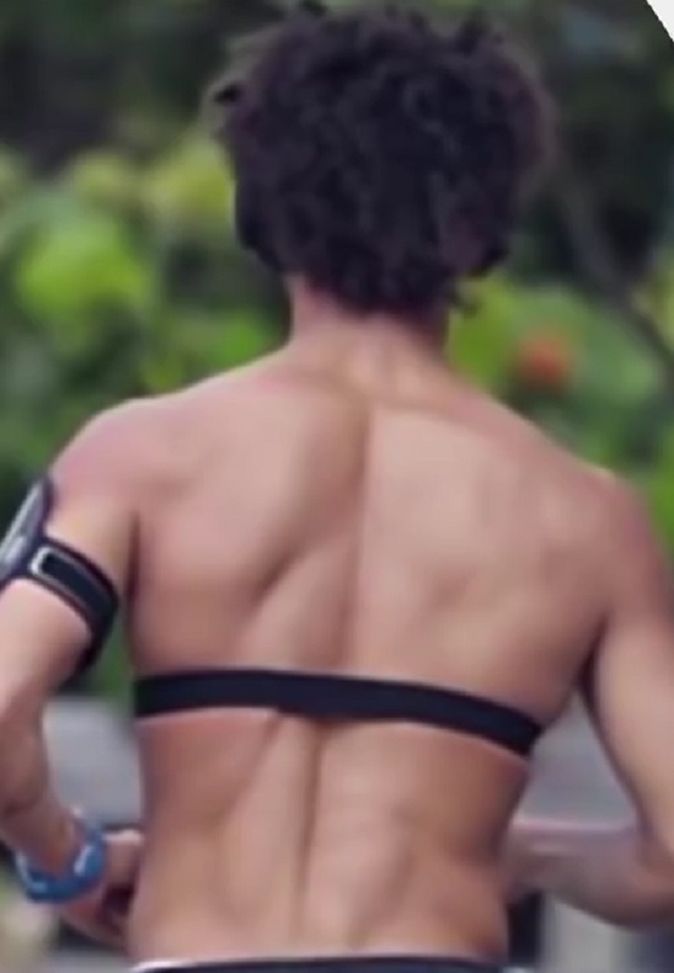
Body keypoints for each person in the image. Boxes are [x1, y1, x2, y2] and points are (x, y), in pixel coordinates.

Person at [0, 4, 673, 973]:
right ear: (482, 224)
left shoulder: (140, 456)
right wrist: (528, 852)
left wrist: (68, 858)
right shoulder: (584, 516)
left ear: (262, 206)